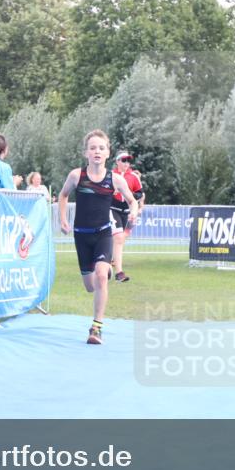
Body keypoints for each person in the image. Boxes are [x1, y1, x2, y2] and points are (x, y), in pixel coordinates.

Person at [58, 130, 139, 344]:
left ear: (107, 153)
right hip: (81, 236)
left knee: (101, 275)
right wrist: (62, 219)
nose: (97, 151)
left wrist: (134, 211)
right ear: (86, 152)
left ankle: (96, 328)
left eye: (101, 148)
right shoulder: (77, 176)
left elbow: (132, 200)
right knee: (90, 285)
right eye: (93, 147)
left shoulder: (115, 179)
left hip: (104, 233)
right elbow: (63, 195)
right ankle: (106, 269)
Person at [109, 150, 144, 282]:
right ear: (117, 161)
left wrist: (130, 195)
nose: (126, 163)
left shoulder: (133, 176)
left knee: (120, 239)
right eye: (123, 160)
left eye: (128, 160)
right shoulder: (111, 175)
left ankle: (108, 262)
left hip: (127, 212)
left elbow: (140, 193)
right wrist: (112, 192)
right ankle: (119, 273)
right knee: (118, 238)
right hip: (112, 209)